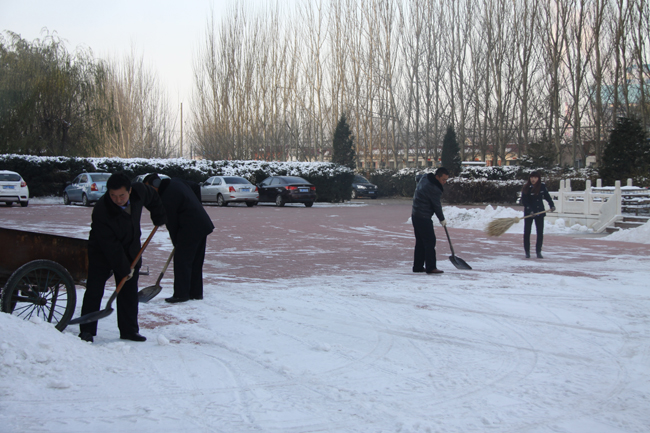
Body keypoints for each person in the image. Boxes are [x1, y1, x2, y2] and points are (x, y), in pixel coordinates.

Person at [79, 173, 167, 343]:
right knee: (94, 290)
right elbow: (110, 247)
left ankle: (129, 330)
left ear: (130, 191)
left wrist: (159, 215)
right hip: (102, 250)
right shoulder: (101, 210)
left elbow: (153, 197)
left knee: (129, 290)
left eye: (121, 195)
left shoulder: (140, 192)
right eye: (113, 195)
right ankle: (87, 331)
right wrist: (125, 268)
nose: (118, 200)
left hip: (131, 246)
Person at [143, 174, 214, 303]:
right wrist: (197, 206)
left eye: (149, 189)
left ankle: (181, 294)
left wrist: (177, 243)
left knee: (182, 261)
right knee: (196, 262)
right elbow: (195, 186)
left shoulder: (166, 198)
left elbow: (172, 224)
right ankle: (195, 293)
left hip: (190, 228)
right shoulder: (176, 181)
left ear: (156, 185)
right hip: (202, 223)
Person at [411, 167, 449, 274]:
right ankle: (431, 267)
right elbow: (437, 206)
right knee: (430, 241)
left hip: (415, 214)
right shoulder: (434, 188)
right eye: (443, 179)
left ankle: (418, 267)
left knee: (420, 242)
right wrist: (442, 219)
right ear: (437, 177)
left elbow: (417, 177)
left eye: (446, 180)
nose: (444, 182)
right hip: (423, 216)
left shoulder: (425, 177)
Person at [521, 171, 555, 259]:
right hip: (529, 214)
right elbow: (524, 201)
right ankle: (527, 251)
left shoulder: (542, 187)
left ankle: (538, 251)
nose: (533, 179)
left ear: (538, 178)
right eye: (532, 177)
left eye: (535, 178)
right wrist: (530, 210)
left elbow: (547, 197)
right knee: (527, 232)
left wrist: (552, 205)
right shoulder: (526, 187)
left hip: (540, 212)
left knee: (540, 233)